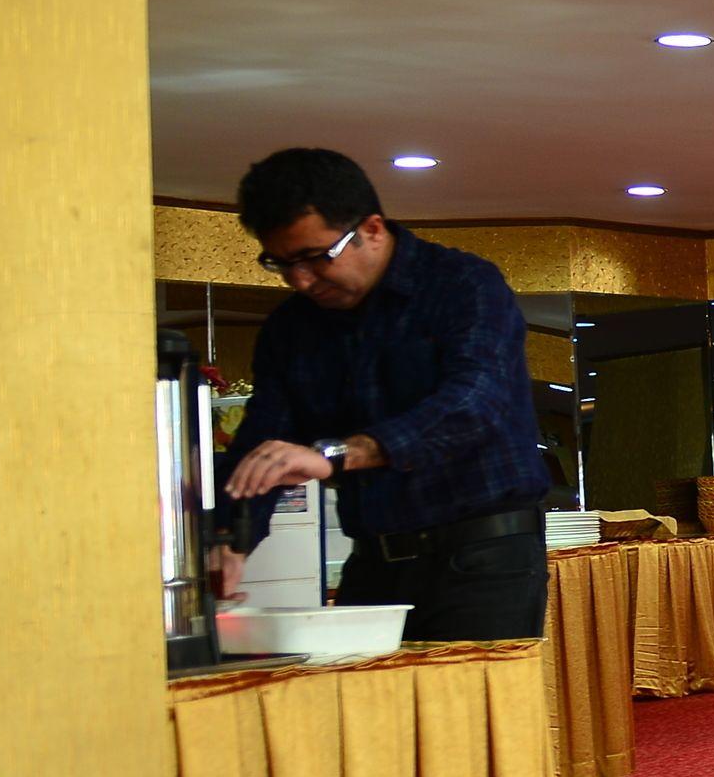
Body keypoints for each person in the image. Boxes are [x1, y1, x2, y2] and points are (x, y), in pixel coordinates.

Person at [218, 147, 555, 640]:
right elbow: (263, 444)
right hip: (373, 564)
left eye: (315, 257)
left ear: (372, 229)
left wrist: (338, 454)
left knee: (467, 693)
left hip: (484, 559)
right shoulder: (290, 329)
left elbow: (474, 403)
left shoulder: (463, 284)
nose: (301, 280)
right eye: (281, 263)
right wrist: (230, 540)